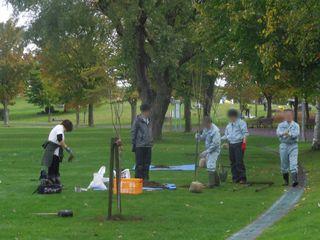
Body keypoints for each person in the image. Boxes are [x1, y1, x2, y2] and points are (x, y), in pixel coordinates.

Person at [41, 120, 74, 185]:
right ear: (66, 127)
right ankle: (51, 182)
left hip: (55, 150)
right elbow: (59, 139)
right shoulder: (60, 128)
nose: (65, 131)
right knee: (52, 167)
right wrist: (68, 149)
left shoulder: (59, 128)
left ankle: (56, 182)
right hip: (52, 150)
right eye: (67, 130)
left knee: (55, 167)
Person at [221, 109, 249, 184]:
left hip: (239, 144)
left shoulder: (241, 123)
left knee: (239, 161)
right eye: (229, 117)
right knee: (232, 161)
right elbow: (227, 135)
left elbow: (245, 134)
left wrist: (244, 143)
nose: (231, 119)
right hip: (231, 144)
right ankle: (235, 178)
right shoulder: (228, 125)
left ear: (235, 116)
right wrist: (219, 139)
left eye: (232, 117)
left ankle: (242, 178)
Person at [276, 109, 300, 187]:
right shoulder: (281, 125)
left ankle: (294, 180)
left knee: (293, 163)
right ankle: (286, 181)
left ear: (292, 115)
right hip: (284, 145)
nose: (288, 116)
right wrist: (283, 133)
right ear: (285, 116)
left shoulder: (296, 125)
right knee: (284, 163)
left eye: (290, 115)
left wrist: (289, 134)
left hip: (293, 145)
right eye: (287, 115)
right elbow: (278, 133)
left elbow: (296, 134)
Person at [196, 116, 221, 188]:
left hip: (214, 150)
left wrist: (206, 152)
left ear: (209, 123)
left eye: (204, 124)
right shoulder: (206, 128)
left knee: (210, 165)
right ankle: (217, 182)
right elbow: (203, 136)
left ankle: (211, 184)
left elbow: (215, 144)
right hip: (208, 149)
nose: (204, 125)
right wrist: (198, 136)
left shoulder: (215, 131)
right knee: (210, 165)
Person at [131, 103, 153, 182]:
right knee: (139, 164)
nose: (149, 112)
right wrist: (134, 144)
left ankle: (146, 179)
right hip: (140, 145)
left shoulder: (149, 120)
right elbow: (133, 132)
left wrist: (151, 141)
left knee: (147, 164)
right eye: (148, 111)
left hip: (148, 145)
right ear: (144, 111)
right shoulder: (137, 120)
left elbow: (150, 132)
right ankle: (138, 179)